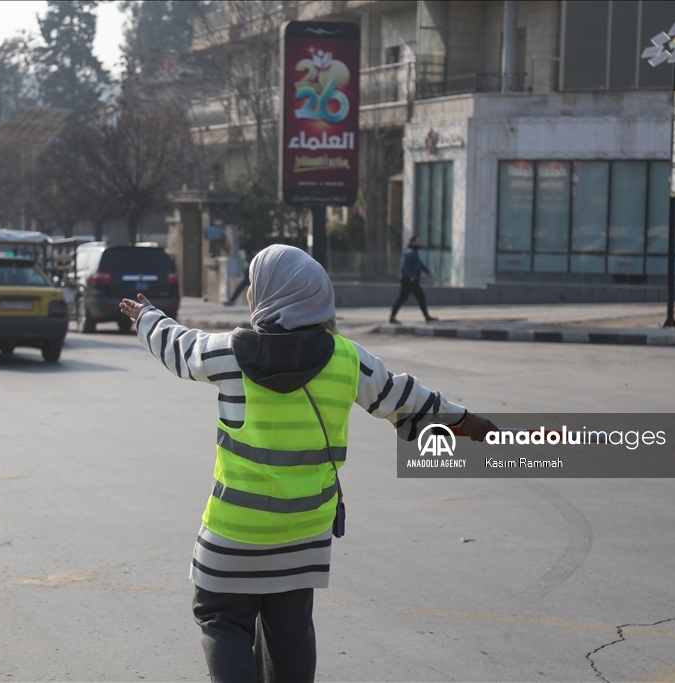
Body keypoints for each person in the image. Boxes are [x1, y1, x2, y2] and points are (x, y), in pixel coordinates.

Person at [119, 245, 495, 683]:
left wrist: (148, 318)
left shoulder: (229, 354)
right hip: (303, 536)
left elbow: (180, 348)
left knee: (223, 619)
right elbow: (405, 396)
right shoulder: (347, 360)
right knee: (291, 628)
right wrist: (463, 419)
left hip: (233, 533)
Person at [389, 235, 437, 324]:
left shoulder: (413, 252)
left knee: (418, 297)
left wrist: (428, 272)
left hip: (411, 280)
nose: (420, 243)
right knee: (405, 298)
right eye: (418, 241)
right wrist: (411, 276)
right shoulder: (410, 252)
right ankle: (392, 317)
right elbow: (405, 265)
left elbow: (419, 264)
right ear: (413, 242)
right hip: (409, 280)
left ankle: (427, 317)